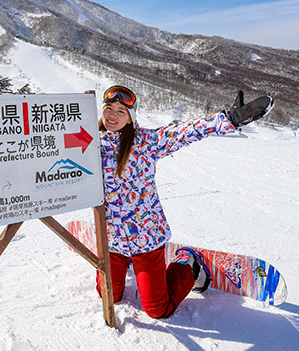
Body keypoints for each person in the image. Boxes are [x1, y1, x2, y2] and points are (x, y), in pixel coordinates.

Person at [97, 84, 273, 319]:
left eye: (121, 111)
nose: (112, 115)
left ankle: (188, 263)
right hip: (112, 240)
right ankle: (128, 268)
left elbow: (185, 131)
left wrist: (227, 120)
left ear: (130, 118)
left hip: (146, 238)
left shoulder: (145, 143)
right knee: (108, 295)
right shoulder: (88, 144)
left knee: (157, 310)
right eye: (109, 108)